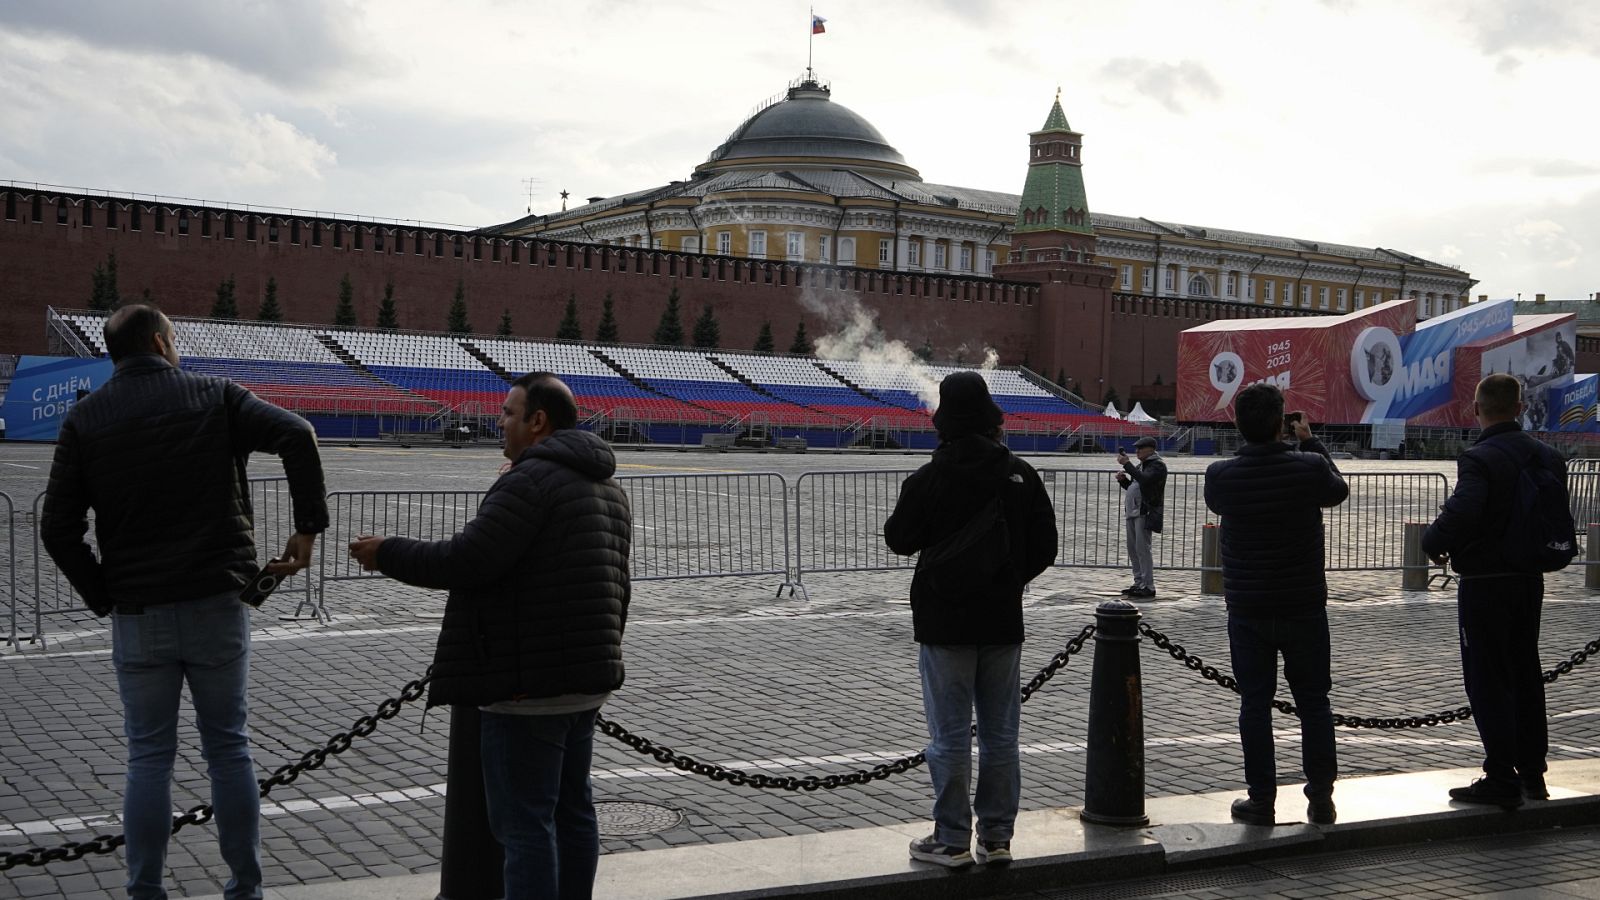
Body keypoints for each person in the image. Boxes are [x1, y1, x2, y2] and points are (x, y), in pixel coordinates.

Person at [40, 304, 327, 900]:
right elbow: (297, 433)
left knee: (148, 757)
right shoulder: (213, 394)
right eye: (173, 337)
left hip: (139, 612)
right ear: (159, 341)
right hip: (216, 602)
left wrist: (103, 595)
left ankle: (145, 889)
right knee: (229, 749)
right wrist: (306, 527)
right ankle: (244, 887)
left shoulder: (85, 419)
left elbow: (57, 528)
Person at [348, 372, 630, 900]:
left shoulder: (531, 481)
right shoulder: (607, 485)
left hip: (527, 687)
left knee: (524, 826)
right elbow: (618, 584)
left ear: (537, 421)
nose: (498, 422)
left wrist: (385, 552)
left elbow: (467, 559)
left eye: (507, 412)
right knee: (574, 812)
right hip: (587, 679)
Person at [884, 371, 1058, 868]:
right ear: (991, 416)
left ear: (943, 419)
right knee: (1002, 734)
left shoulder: (928, 478)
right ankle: (998, 837)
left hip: (943, 622)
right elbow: (1046, 546)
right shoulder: (1020, 473)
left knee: (950, 735)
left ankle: (952, 836)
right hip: (1002, 621)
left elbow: (899, 538)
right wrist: (1009, 578)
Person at [1203, 384, 1347, 827]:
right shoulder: (1307, 468)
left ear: (1237, 423)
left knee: (1254, 703)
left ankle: (1261, 798)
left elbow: (1217, 504)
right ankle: (1320, 798)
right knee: (1314, 703)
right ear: (1280, 421)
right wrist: (1310, 441)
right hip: (1303, 604)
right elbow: (1337, 489)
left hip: (1248, 609)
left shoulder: (1220, 476)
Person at [1423, 373, 1558, 809]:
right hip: (1529, 578)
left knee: (1487, 678)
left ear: (1476, 409)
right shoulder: (1548, 457)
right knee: (1524, 672)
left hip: (1484, 583)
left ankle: (1500, 774)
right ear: (1519, 408)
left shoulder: (1479, 457)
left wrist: (1433, 542)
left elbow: (1464, 510)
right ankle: (1533, 772)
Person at [1116, 435, 1167, 598]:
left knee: (1143, 549)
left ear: (1150, 449)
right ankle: (1139, 582)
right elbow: (1136, 486)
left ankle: (1148, 586)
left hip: (1145, 511)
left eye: (1140, 448)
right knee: (1133, 549)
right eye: (1136, 448)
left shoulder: (1157, 465)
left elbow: (1145, 481)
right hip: (1133, 511)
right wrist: (1124, 481)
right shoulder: (1143, 465)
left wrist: (1127, 465)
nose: (1136, 451)